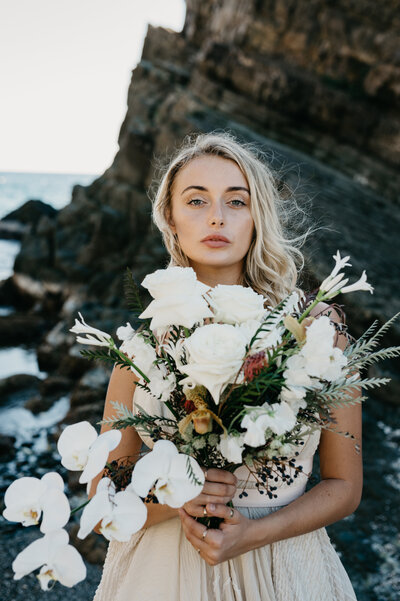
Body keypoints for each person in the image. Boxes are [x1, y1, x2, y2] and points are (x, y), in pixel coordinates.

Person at [91, 131, 362, 600]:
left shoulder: (316, 333)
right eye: (196, 201)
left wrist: (251, 535)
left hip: (281, 568)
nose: (217, 216)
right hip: (160, 576)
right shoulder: (140, 348)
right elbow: (102, 502)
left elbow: (344, 486)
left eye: (236, 201)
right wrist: (175, 496)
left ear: (257, 217)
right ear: (170, 219)